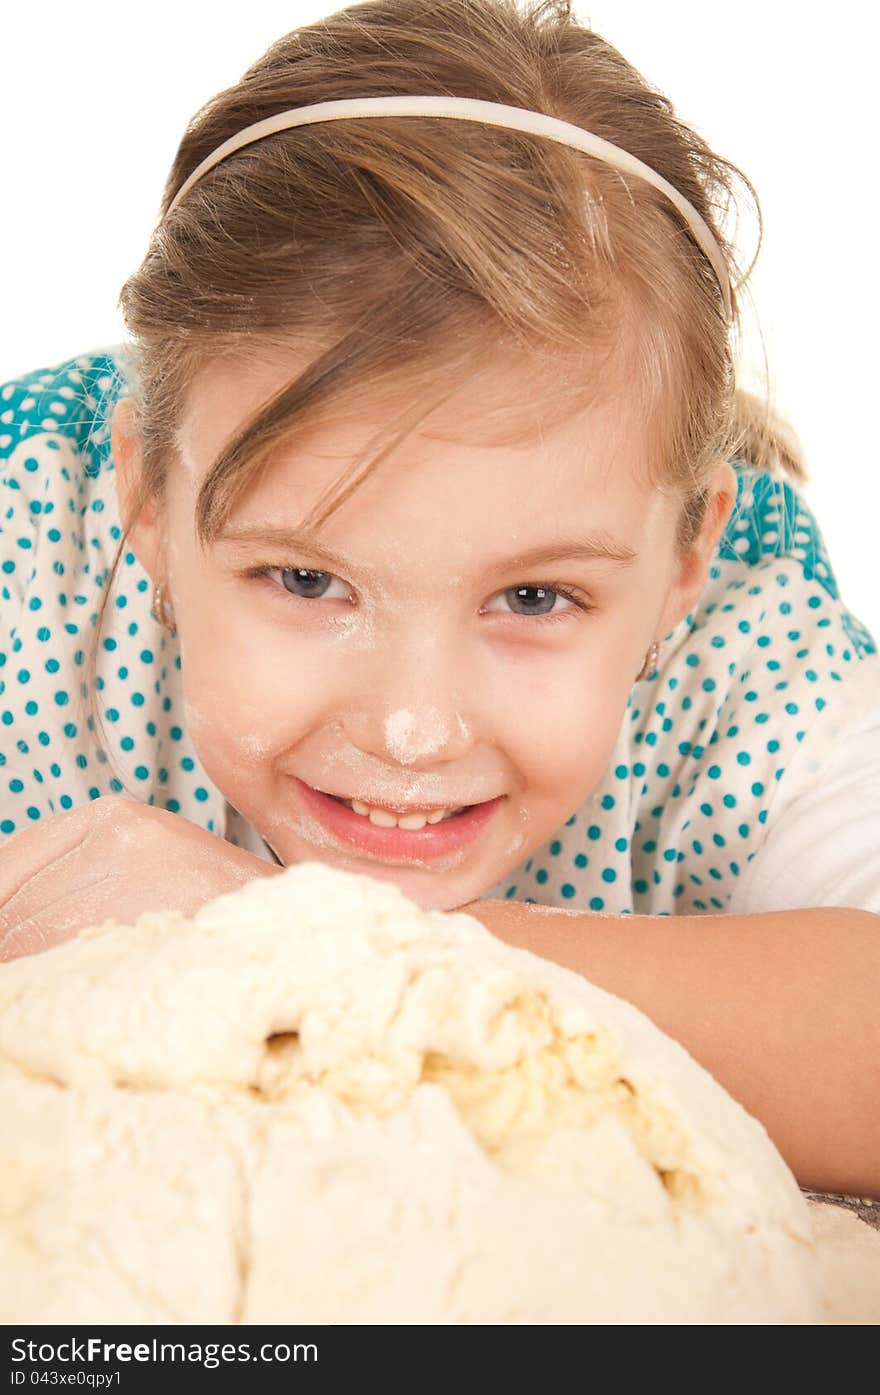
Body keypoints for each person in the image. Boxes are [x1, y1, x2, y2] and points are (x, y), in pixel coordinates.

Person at [0, 0, 877, 1195]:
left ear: (683, 554)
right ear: (148, 497)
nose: (413, 725)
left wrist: (282, 941)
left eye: (532, 598)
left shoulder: (747, 656)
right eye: (306, 579)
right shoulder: (31, 547)